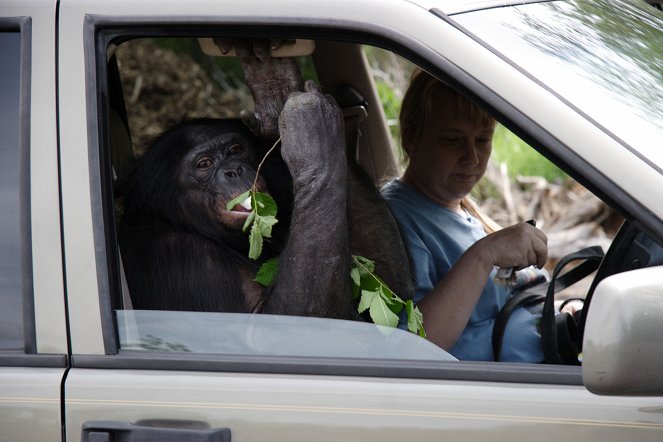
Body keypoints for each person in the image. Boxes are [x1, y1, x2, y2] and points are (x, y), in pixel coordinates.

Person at [381, 70, 548, 362]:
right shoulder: (395, 221)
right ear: (412, 138)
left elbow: (498, 296)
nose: (471, 157)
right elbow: (414, 346)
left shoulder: (461, 210)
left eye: (483, 140)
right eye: (452, 140)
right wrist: (484, 254)